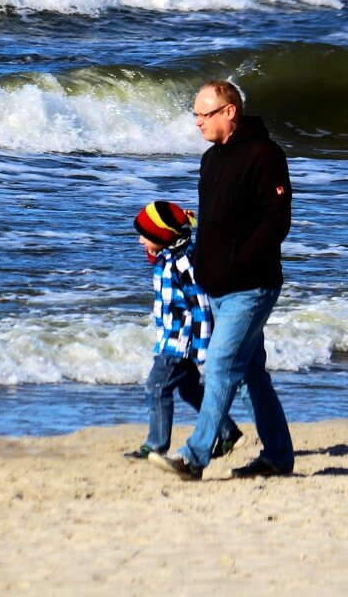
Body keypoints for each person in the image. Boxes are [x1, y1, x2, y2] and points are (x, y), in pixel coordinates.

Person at [150, 80, 294, 480]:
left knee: (219, 366)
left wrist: (237, 264)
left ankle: (194, 458)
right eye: (194, 114)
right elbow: (211, 224)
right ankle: (279, 456)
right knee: (251, 375)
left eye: (203, 114)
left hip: (252, 284)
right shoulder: (211, 159)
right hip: (215, 287)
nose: (197, 122)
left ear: (229, 112)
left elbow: (276, 222)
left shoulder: (266, 155)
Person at [124, 200, 243, 461]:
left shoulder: (183, 263)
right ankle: (226, 431)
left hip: (180, 343)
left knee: (155, 388)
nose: (140, 241)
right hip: (173, 337)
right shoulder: (169, 256)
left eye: (144, 236)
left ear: (162, 236)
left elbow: (201, 306)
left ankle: (156, 445)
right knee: (189, 389)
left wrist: (202, 349)